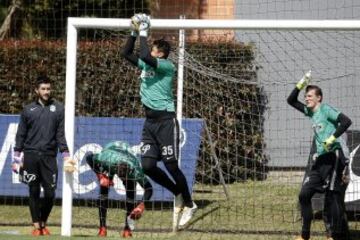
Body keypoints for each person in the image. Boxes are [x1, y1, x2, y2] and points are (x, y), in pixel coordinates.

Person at [121, 13, 197, 227]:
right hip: (150, 124)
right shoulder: (147, 65)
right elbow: (126, 52)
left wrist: (144, 31)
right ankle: (177, 193)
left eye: (154, 49)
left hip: (165, 122)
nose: (150, 51)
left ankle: (190, 204)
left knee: (172, 166)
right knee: (147, 165)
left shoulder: (166, 66)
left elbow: (145, 56)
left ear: (160, 54)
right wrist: (133, 33)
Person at [287, 71, 352, 240]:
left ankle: (334, 236)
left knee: (332, 198)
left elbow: (346, 121)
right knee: (304, 195)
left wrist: (331, 139)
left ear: (319, 98)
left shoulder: (326, 110)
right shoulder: (311, 113)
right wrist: (302, 81)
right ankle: (304, 236)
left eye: (309, 96)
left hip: (334, 157)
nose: (306, 99)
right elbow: (291, 100)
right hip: (320, 160)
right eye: (306, 96)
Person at [12, 75, 76, 236]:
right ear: (37, 90)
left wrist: (66, 155)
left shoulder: (59, 108)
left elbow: (60, 135)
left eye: (48, 88)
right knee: (33, 191)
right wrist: (16, 158)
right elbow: (20, 135)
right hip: (31, 155)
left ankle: (42, 222)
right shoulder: (28, 110)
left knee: (50, 193)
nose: (46, 92)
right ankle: (37, 227)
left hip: (49, 157)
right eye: (43, 89)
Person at [85, 141, 153, 238]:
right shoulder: (106, 160)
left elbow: (149, 188)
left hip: (128, 154)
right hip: (111, 151)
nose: (122, 181)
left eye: (124, 179)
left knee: (131, 193)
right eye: (122, 178)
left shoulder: (136, 170)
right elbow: (88, 157)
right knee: (104, 188)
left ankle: (127, 230)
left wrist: (142, 205)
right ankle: (102, 229)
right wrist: (101, 177)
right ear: (116, 171)